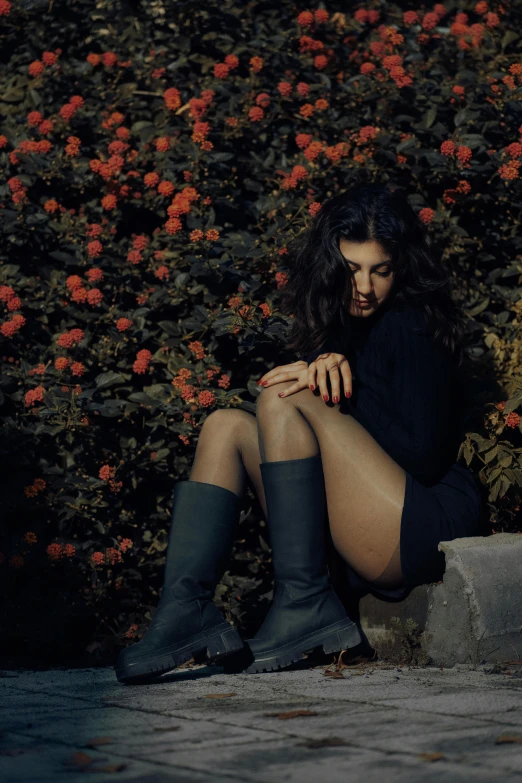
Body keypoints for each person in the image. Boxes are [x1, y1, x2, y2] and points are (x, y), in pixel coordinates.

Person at [115, 182, 487, 684]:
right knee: (224, 425)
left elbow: (423, 455)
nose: (365, 287)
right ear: (329, 262)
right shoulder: (338, 323)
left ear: (401, 268)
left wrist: (335, 390)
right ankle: (186, 609)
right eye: (351, 268)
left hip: (420, 521)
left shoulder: (412, 324)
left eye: (380, 270)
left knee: (283, 397)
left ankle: (307, 603)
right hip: (371, 514)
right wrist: (326, 370)